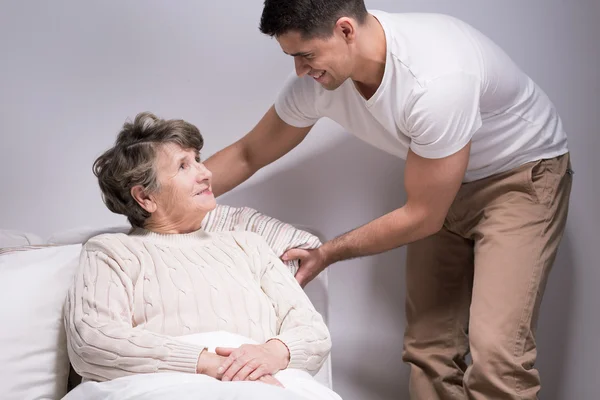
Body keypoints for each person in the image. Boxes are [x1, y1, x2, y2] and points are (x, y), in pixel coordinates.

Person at [203, 1, 573, 399]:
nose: (299, 70)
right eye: (292, 57)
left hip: (518, 179)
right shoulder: (318, 84)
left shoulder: (436, 78)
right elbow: (248, 154)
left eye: (306, 55)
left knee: (498, 356)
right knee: (429, 349)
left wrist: (326, 253)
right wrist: (166, 196)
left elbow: (423, 216)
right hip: (441, 182)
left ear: (346, 30)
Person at [63, 112, 335, 396]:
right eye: (183, 166)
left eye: (197, 160)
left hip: (269, 384)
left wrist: (273, 352)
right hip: (164, 387)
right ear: (145, 197)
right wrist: (212, 365)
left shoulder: (249, 246)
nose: (206, 173)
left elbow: (313, 332)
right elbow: (92, 341)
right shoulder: (111, 252)